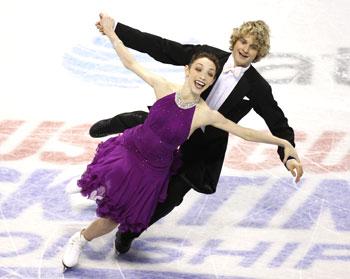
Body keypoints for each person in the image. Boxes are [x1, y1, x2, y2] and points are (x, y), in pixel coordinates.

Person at [62, 13, 301, 270]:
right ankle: (120, 130)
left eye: (254, 46)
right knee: (143, 129)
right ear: (235, 41)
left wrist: (288, 152)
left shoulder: (257, 87)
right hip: (172, 122)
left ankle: (128, 232)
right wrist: (116, 29)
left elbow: (272, 123)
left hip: (204, 145)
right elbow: (160, 48)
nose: (246, 48)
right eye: (244, 41)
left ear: (259, 53)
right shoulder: (206, 58)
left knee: (170, 196)